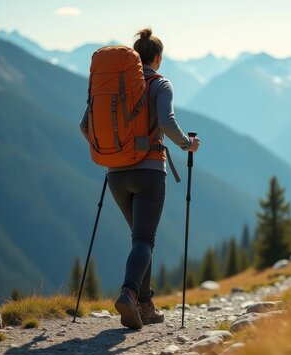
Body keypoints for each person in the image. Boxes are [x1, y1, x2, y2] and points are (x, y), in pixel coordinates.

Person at [79, 28, 200, 329]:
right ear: (157, 58)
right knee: (144, 239)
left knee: (139, 239)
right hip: (148, 172)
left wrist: (111, 151)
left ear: (134, 56)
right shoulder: (160, 84)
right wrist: (187, 144)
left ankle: (146, 305)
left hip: (116, 175)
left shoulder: (112, 83)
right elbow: (166, 122)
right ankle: (129, 293)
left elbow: (85, 126)